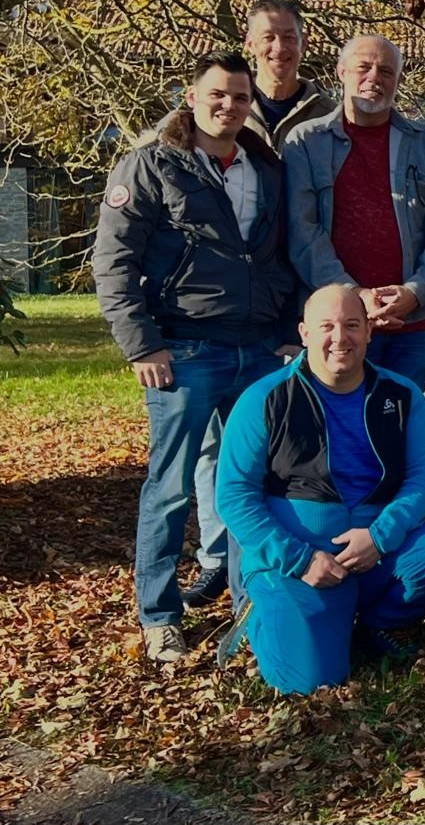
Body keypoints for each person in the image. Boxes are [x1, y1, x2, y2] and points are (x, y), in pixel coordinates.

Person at [94, 52, 300, 661]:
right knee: (172, 486)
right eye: (217, 95)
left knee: (254, 482)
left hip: (260, 348)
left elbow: (281, 257)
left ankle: (251, 603)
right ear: (191, 96)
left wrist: (288, 330)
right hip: (183, 350)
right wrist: (142, 343)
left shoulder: (265, 167)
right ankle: (159, 613)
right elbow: (114, 262)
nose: (228, 106)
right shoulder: (152, 165)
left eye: (240, 97)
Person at [215, 284, 425, 696]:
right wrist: (299, 559)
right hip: (297, 560)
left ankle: (376, 623)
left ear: (369, 331)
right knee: (309, 682)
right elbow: (234, 495)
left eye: (352, 325)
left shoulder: (401, 395)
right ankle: (263, 612)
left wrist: (381, 536)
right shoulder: (264, 398)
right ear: (305, 333)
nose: (340, 337)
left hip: (373, 550)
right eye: (326, 326)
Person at [282, 34, 425, 389]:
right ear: (341, 71)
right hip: (337, 325)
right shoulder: (305, 141)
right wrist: (354, 296)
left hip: (418, 325)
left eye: (386, 71)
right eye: (364, 67)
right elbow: (302, 231)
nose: (374, 78)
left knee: (409, 430)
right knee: (338, 429)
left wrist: (415, 292)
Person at [240, 0, 338, 149]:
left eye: (289, 38)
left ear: (303, 43)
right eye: (268, 38)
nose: (279, 48)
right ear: (250, 44)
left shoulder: (330, 117)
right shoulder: (230, 110)